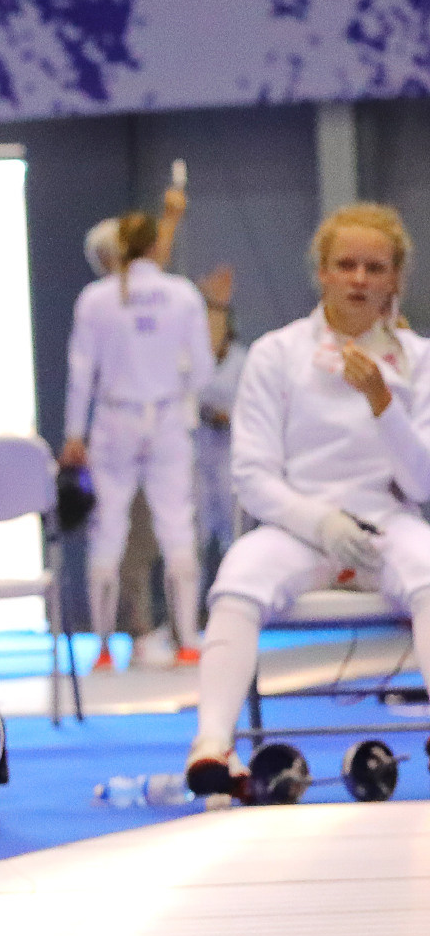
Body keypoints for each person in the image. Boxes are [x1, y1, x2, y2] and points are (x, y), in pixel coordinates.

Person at [187, 205, 430, 796]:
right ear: (321, 272)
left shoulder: (420, 360)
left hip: (389, 524)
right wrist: (320, 523)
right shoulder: (277, 353)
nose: (358, 279)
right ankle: (213, 746)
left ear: (395, 279)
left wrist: (382, 402)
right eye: (345, 265)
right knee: (238, 575)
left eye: (374, 268)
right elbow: (253, 474)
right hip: (298, 527)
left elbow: (423, 483)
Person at [62, 208, 214, 671]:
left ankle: (104, 649)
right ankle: (188, 642)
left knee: (108, 528)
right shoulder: (182, 294)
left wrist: (74, 432)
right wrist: (179, 397)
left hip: (114, 420)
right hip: (166, 417)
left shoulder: (95, 299)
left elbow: (81, 371)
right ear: (153, 246)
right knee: (177, 525)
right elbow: (202, 370)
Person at [196, 265, 246, 579]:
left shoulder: (243, 359)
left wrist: (226, 416)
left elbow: (251, 410)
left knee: (233, 533)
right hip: (198, 456)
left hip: (230, 456)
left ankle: (235, 587)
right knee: (195, 536)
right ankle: (192, 602)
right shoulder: (190, 363)